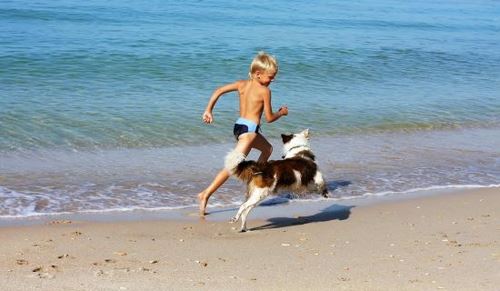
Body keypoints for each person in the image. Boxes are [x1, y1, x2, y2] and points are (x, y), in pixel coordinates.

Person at [198, 52, 288, 216]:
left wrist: (208, 110)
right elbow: (269, 118)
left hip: (240, 127)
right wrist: (281, 113)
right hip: (249, 133)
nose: (272, 80)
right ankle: (205, 194)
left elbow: (219, 90)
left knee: (267, 149)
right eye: (270, 77)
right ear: (258, 74)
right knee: (232, 167)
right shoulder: (265, 91)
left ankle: (254, 181)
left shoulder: (241, 84)